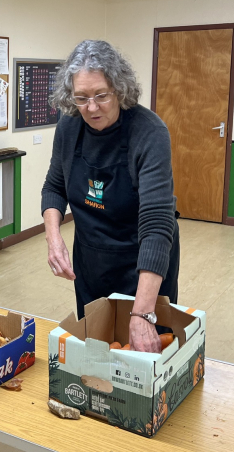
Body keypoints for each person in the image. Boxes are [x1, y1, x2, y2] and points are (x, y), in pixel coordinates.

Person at [41, 39, 179, 354]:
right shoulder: (69, 125)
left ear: (119, 88)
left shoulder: (149, 133)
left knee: (144, 354)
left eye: (101, 95)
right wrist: (54, 238)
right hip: (91, 262)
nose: (91, 108)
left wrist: (143, 312)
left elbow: (158, 225)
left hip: (143, 264)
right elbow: (54, 186)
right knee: (96, 350)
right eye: (81, 97)